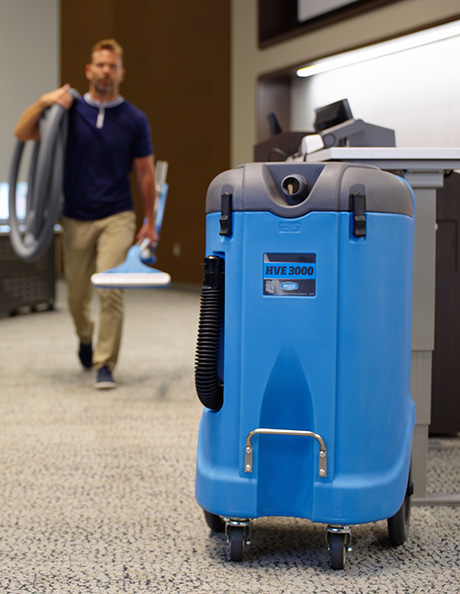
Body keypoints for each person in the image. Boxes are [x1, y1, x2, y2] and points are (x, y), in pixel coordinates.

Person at [14, 39, 158, 389]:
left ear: (121, 73)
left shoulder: (134, 119)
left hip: (117, 215)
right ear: (88, 70)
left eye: (112, 66)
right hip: (76, 214)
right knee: (77, 295)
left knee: (111, 288)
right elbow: (22, 132)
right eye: (100, 65)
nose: (106, 71)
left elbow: (144, 172)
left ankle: (105, 363)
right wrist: (45, 101)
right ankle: (84, 336)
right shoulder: (68, 112)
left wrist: (150, 221)